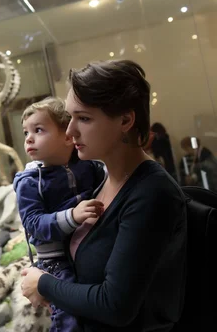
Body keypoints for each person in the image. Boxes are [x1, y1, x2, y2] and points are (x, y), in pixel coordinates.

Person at [20, 60, 187, 332]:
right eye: (70, 117)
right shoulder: (103, 178)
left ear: (125, 120)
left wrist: (44, 284)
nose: (71, 130)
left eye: (84, 118)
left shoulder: (152, 193)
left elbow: (115, 305)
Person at [14, 97, 106, 332]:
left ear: (67, 136)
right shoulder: (30, 182)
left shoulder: (87, 166)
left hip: (86, 248)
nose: (29, 139)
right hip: (56, 260)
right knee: (68, 318)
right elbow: (33, 223)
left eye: (39, 130)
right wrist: (72, 216)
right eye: (26, 132)